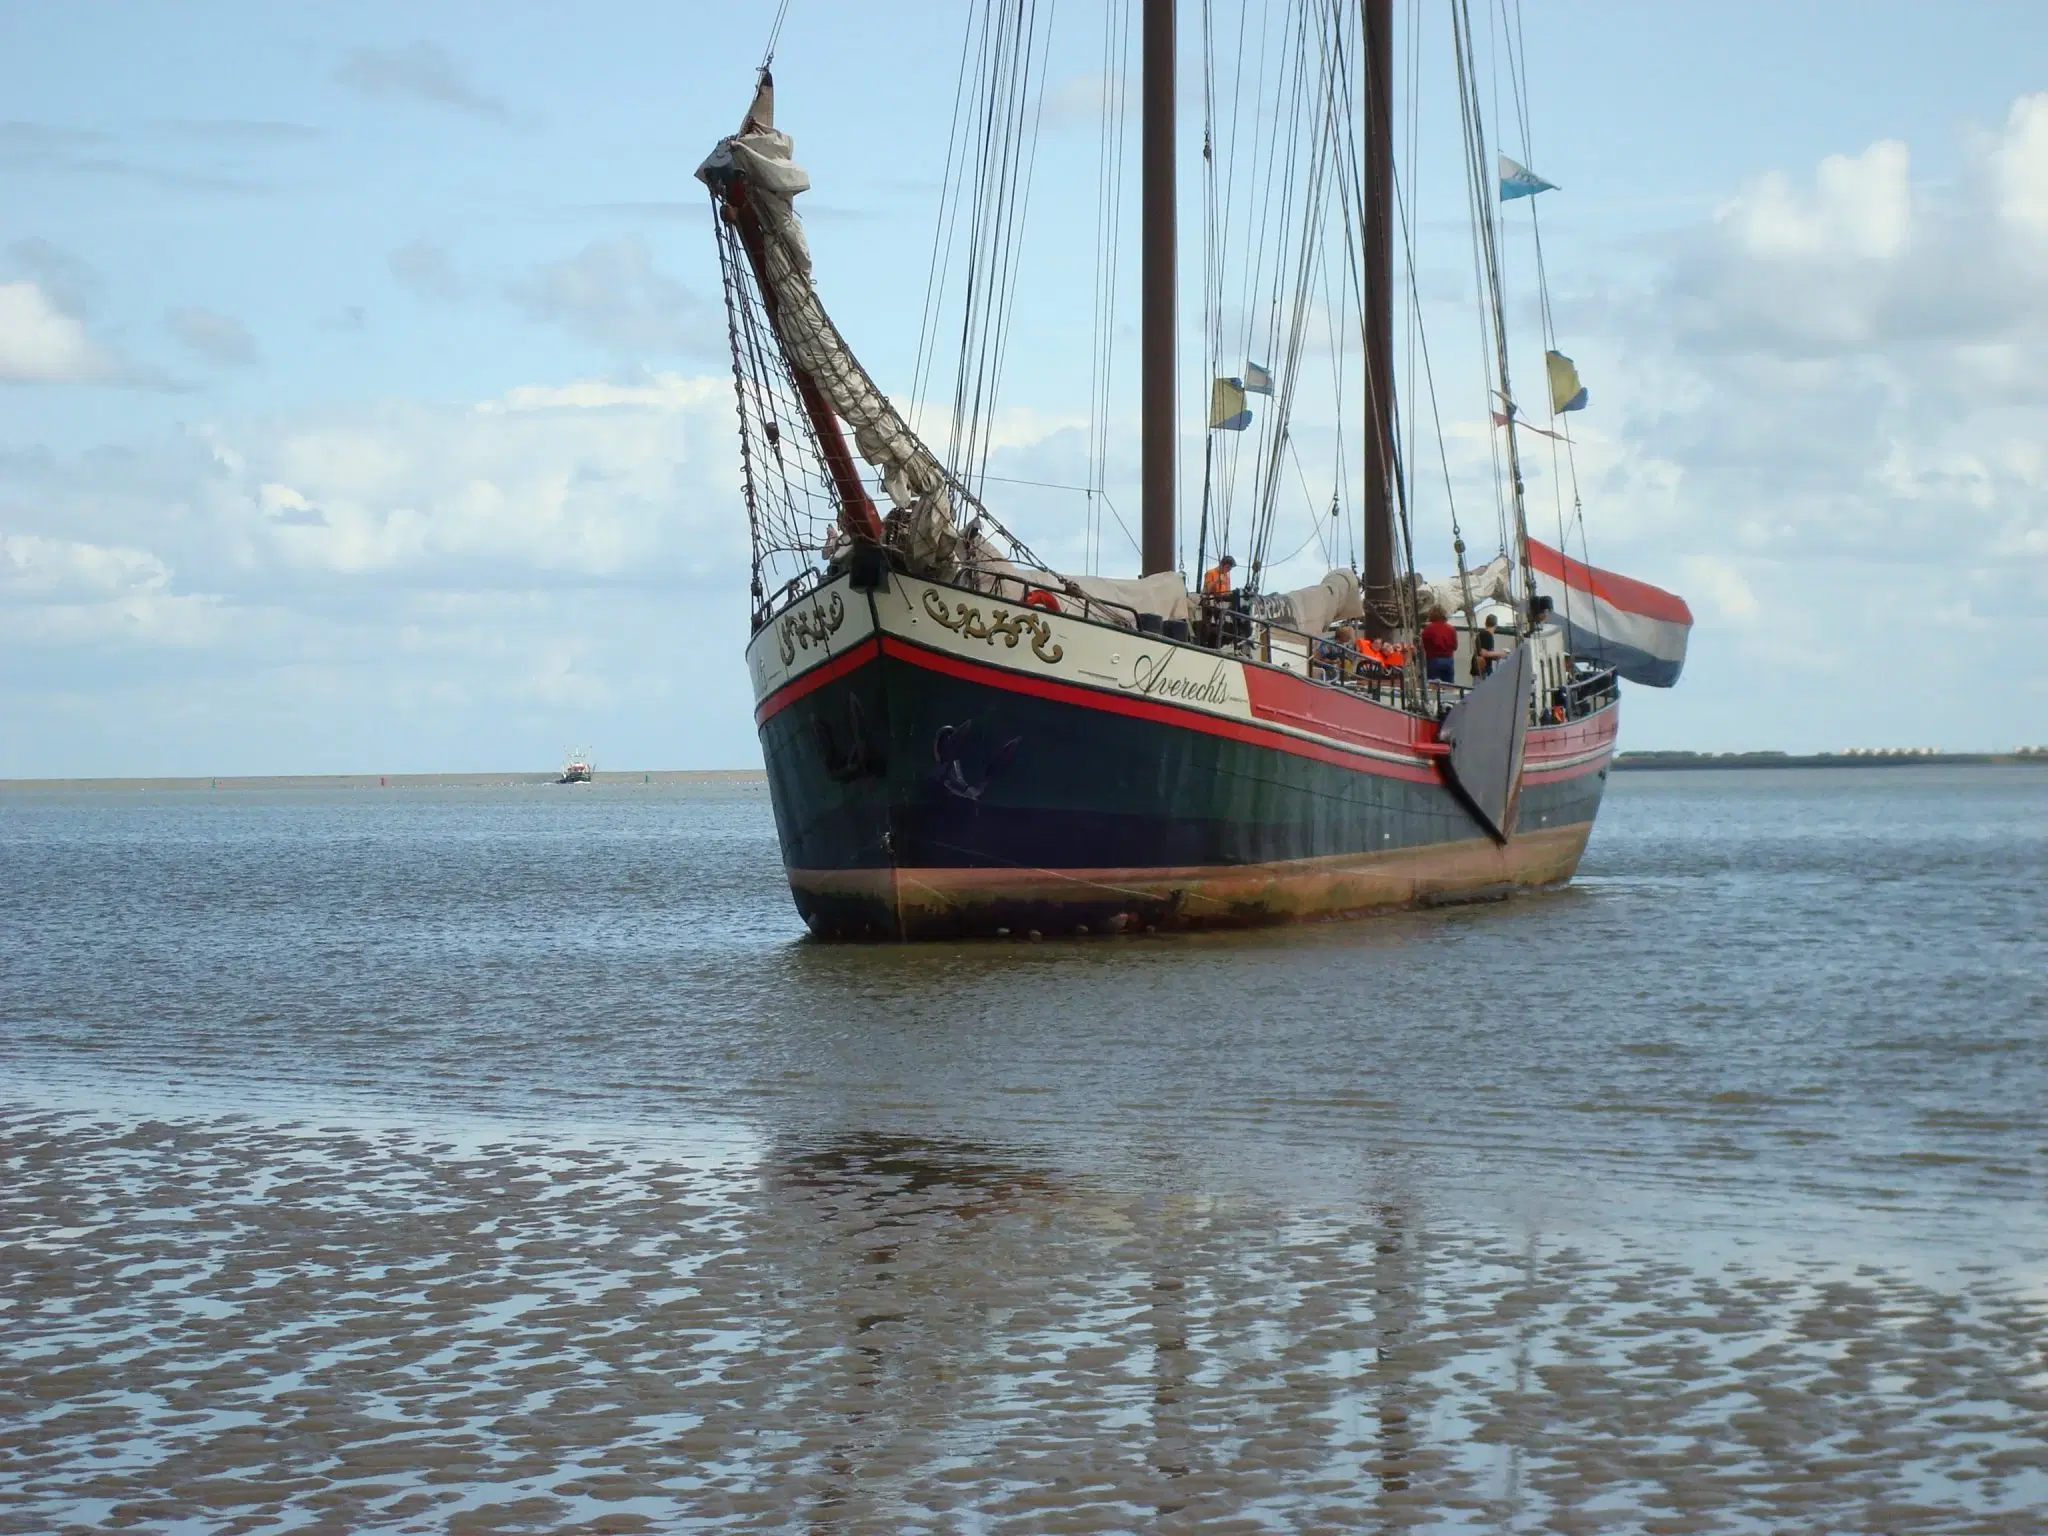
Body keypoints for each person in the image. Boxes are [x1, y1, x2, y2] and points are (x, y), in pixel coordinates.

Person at [1419, 605, 1458, 684]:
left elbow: (1422, 646)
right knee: (1449, 687)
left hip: (1433, 661)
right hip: (1448, 660)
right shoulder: (1451, 629)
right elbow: (1455, 646)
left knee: (1433, 687)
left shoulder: (1428, 629)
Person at [1470, 613, 1505, 680]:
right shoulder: (1488, 635)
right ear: (1496, 625)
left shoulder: (1481, 634)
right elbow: (1483, 652)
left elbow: (1486, 652)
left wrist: (1495, 656)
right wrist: (1501, 653)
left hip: (1477, 668)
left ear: (1485, 623)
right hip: (1482, 670)